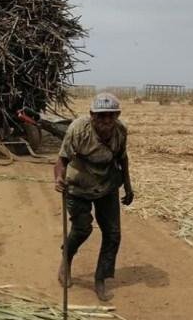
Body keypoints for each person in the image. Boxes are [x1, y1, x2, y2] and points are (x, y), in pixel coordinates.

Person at [54, 92, 134, 301]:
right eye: (101, 116)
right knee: (82, 229)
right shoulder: (78, 130)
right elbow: (61, 161)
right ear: (92, 115)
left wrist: (128, 186)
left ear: (117, 115)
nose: (106, 120)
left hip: (107, 185)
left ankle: (100, 279)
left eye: (111, 115)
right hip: (79, 186)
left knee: (113, 234)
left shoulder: (120, 131)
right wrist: (58, 179)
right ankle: (67, 259)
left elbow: (122, 159)